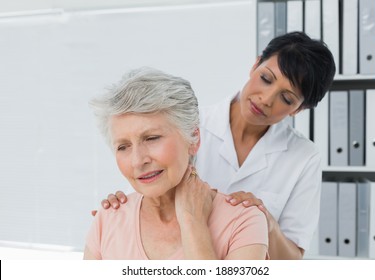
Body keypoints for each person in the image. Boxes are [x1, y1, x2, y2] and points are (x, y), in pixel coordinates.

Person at [97, 31, 336, 259]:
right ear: (255, 65)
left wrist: (265, 221)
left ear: (299, 109)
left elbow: (292, 259)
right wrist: (123, 209)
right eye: (265, 79)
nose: (266, 99)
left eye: (286, 98)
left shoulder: (304, 157)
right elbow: (146, 185)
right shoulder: (188, 124)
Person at [84, 67, 269, 260]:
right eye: (123, 146)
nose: (138, 161)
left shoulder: (244, 222)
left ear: (193, 138)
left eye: (152, 138)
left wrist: (193, 224)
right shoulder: (107, 221)